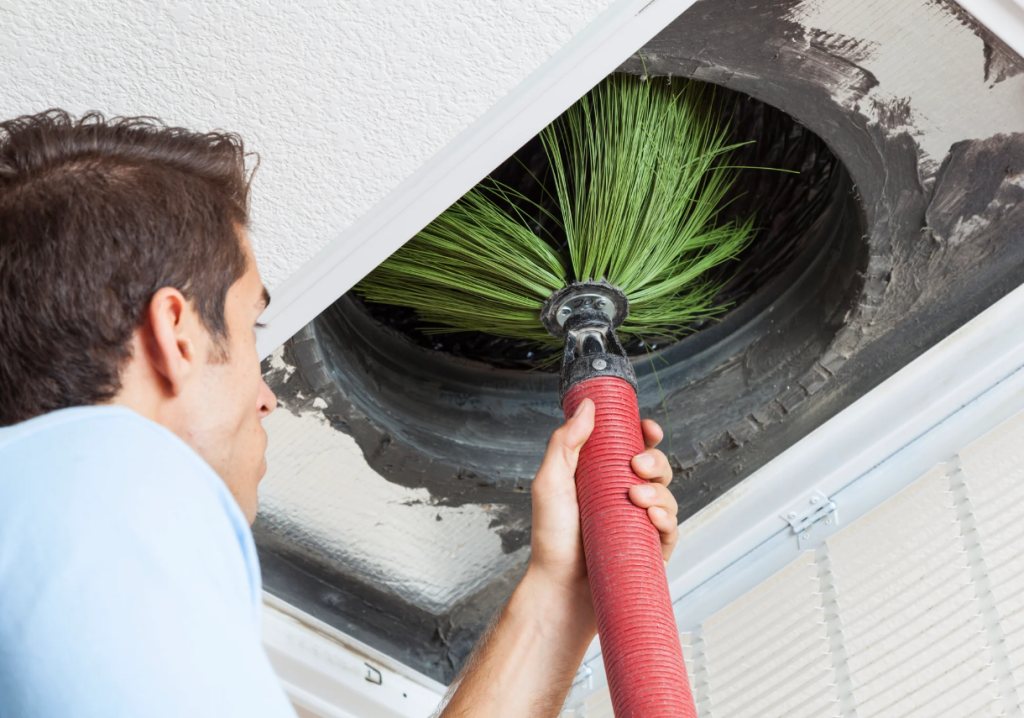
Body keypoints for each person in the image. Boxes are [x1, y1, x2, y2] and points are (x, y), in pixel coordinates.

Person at [0, 110, 680, 717]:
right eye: (249, 334)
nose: (266, 395)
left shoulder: (54, 544)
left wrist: (562, 595)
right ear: (176, 336)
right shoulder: (113, 503)